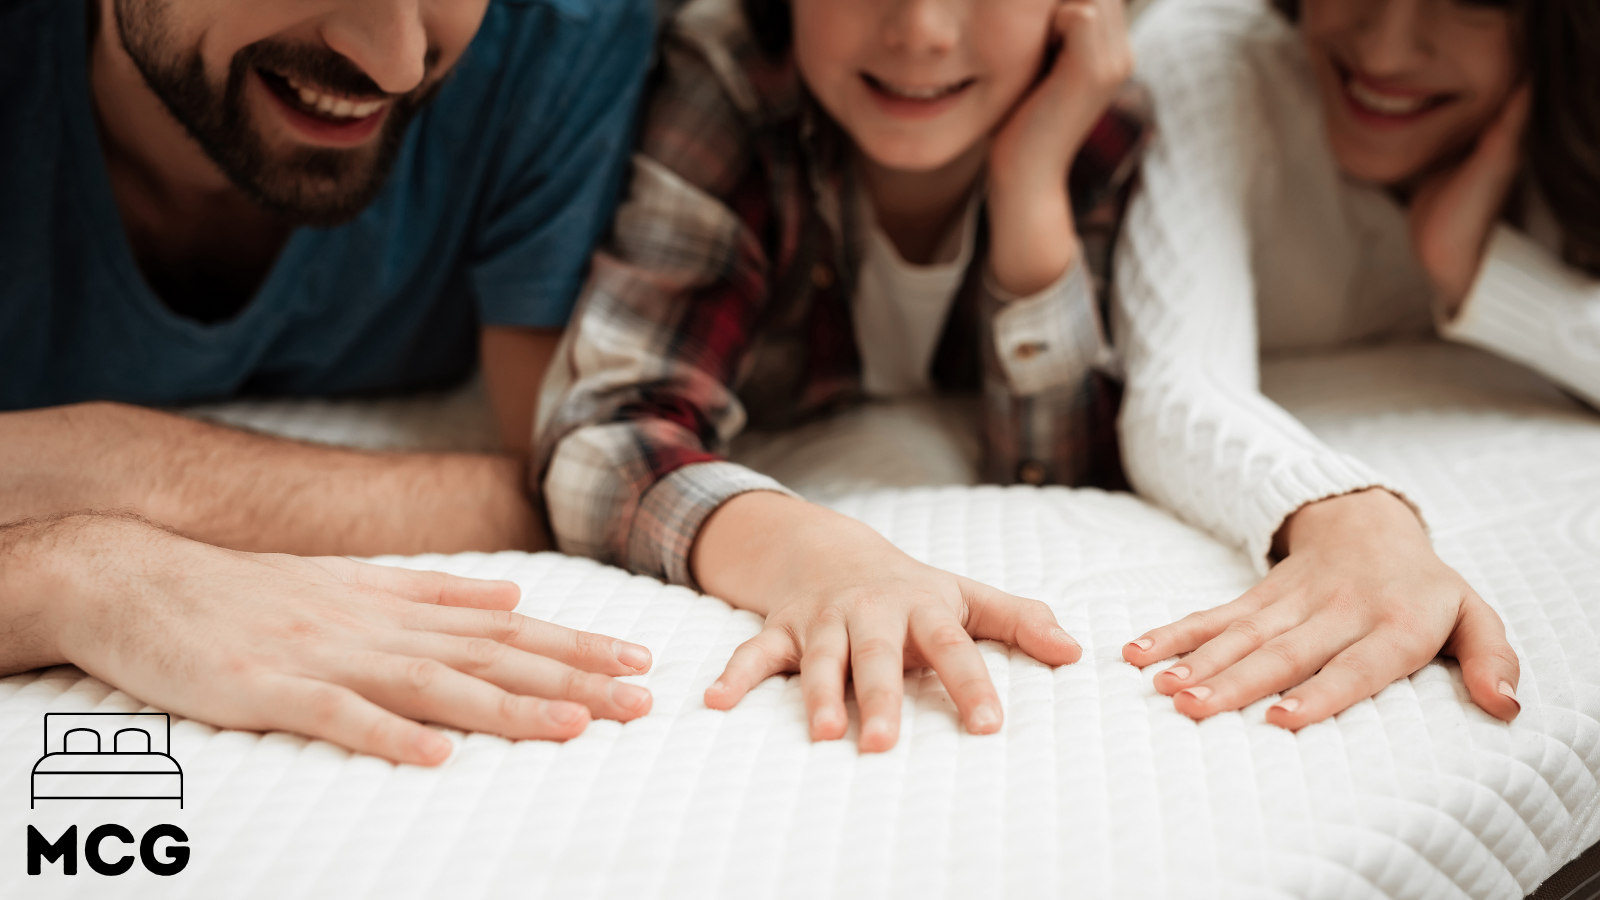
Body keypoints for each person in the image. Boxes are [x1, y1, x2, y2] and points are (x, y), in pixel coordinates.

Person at [0, 0, 657, 765]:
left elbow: (565, 482)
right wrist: (72, 576)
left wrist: (130, 471)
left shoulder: (561, 36)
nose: (399, 64)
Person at [539, 0, 1146, 751]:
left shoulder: (1097, 108)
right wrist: (819, 558)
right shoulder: (733, 75)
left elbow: (1067, 476)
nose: (921, 32)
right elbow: (599, 436)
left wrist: (1031, 181)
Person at [1117, 0, 1599, 727]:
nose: (1387, 51)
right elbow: (1176, 383)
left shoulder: (1564, 123)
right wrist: (1352, 515)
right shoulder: (1214, 54)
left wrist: (1479, 270)